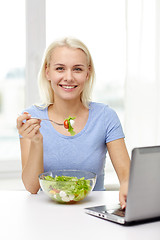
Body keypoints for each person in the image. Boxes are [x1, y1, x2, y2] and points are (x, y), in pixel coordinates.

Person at [17, 37, 130, 209]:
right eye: (60, 68)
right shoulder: (31, 118)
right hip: (44, 214)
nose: (68, 77)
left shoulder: (105, 116)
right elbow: (32, 187)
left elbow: (127, 176)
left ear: (87, 73)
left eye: (77, 69)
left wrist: (127, 185)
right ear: (48, 72)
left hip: (93, 212)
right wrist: (36, 141)